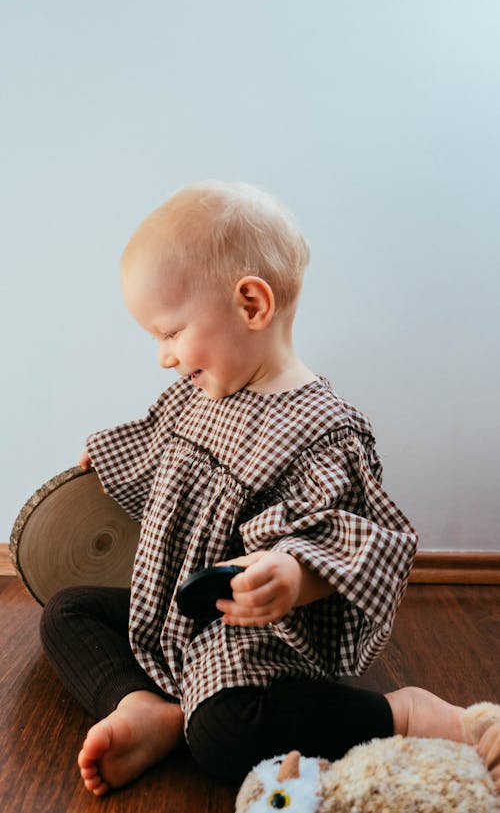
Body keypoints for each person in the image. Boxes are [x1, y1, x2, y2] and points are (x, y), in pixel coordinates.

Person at [40, 181, 499, 797]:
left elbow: (347, 541)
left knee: (226, 734)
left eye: (171, 333)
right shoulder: (202, 393)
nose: (164, 357)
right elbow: (157, 444)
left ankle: (403, 714)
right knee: (69, 611)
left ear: (251, 304)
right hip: (179, 611)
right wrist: (105, 456)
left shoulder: (322, 430)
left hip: (254, 638)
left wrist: (291, 574)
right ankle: (143, 706)